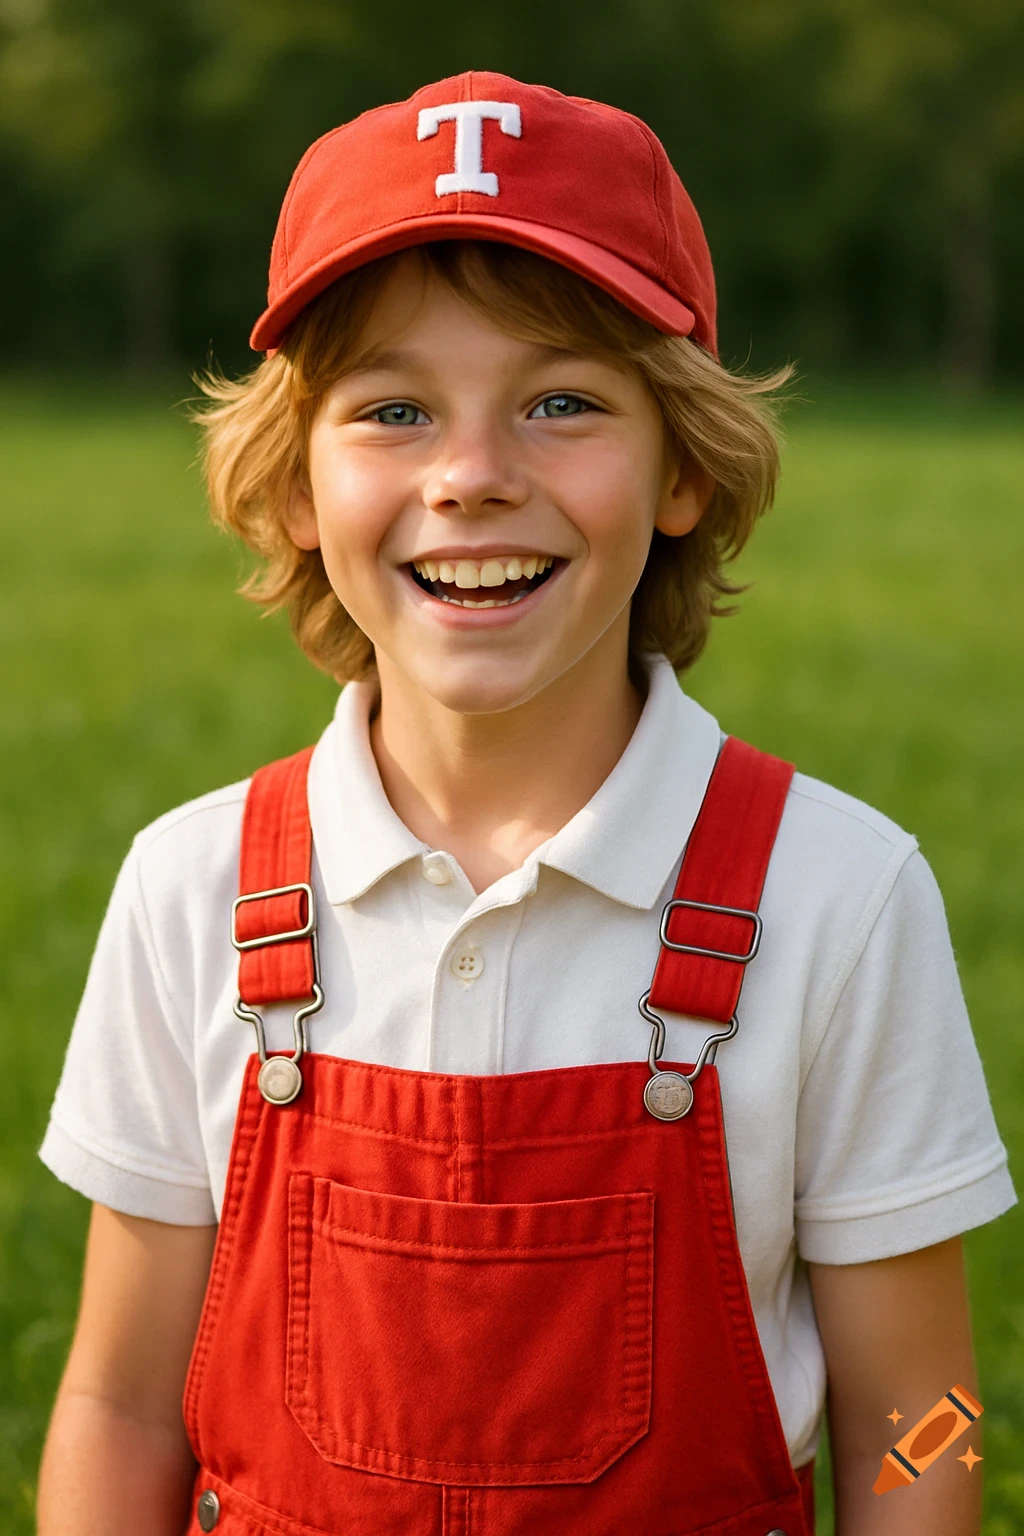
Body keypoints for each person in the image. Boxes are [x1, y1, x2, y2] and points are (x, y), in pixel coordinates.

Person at [37, 72, 1014, 1536]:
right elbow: (116, 1401)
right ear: (297, 482)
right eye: (393, 410)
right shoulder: (194, 890)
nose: (474, 477)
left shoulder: (839, 894)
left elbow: (922, 1418)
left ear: (684, 463)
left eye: (562, 403)